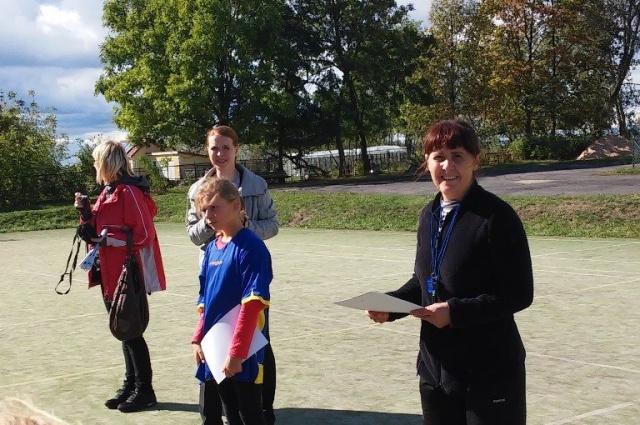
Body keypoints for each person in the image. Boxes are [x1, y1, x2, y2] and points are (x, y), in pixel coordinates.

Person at [366, 119, 534, 425]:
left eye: (457, 156)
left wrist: (455, 313)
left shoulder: (497, 217)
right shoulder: (428, 215)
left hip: (489, 372)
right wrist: (391, 306)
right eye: (438, 157)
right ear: (427, 162)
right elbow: (425, 281)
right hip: (436, 372)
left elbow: (519, 294)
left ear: (475, 161)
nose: (447, 166)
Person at [186, 125, 278, 425]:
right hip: (215, 337)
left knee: (249, 408)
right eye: (204, 211)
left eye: (215, 209)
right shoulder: (213, 243)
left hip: (242, 341)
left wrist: (237, 352)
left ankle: (266, 410)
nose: (208, 216)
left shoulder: (250, 246)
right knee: (227, 406)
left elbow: (252, 305)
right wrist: (198, 337)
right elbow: (205, 300)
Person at [73, 141, 166, 413]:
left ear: (106, 162)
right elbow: (97, 229)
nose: (94, 165)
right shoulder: (109, 191)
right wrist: (85, 214)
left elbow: (144, 234)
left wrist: (109, 241)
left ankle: (144, 390)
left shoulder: (129, 192)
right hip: (109, 272)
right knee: (123, 331)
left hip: (127, 272)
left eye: (96, 160)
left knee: (131, 332)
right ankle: (131, 385)